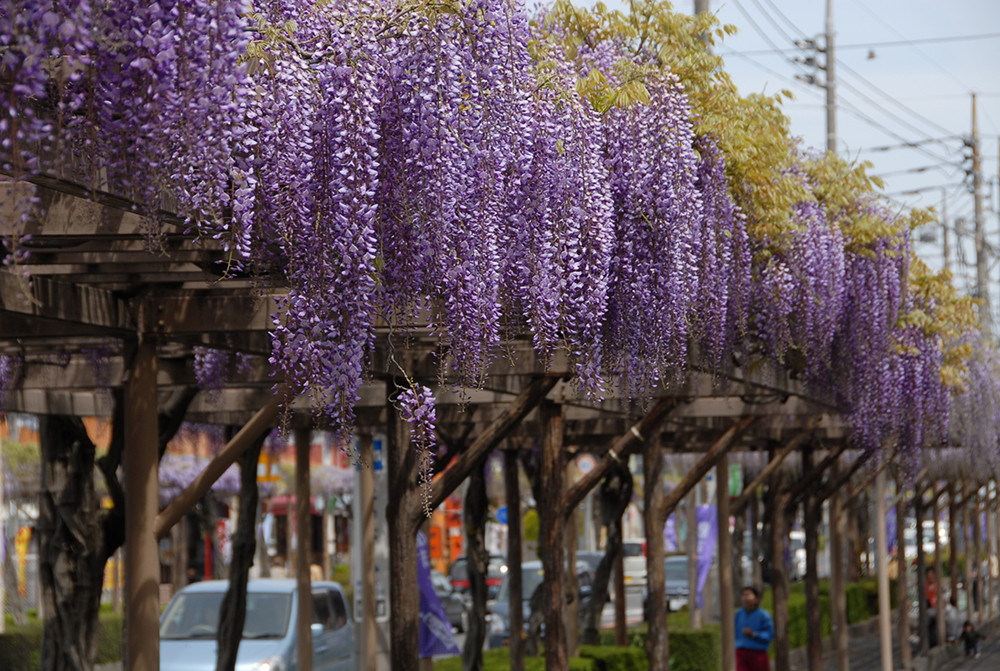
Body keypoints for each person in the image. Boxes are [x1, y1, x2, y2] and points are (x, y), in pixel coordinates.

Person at [735, 585, 774, 671]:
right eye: (743, 595)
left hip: (757, 653)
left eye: (748, 595)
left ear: (756, 598)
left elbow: (770, 635)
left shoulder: (763, 615)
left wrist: (754, 634)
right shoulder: (739, 614)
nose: (745, 597)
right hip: (740, 652)